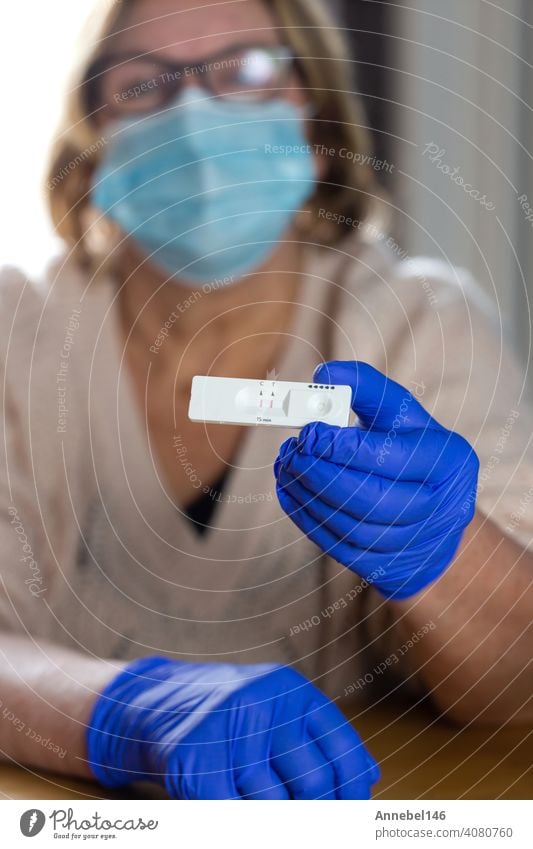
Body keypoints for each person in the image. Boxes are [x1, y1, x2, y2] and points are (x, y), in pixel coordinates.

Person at [0, 0, 531, 801]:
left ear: (312, 110)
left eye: (245, 70)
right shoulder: (16, 333)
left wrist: (448, 553)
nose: (196, 113)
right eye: (144, 83)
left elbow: (516, 687)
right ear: (91, 141)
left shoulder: (423, 326)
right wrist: (115, 712)